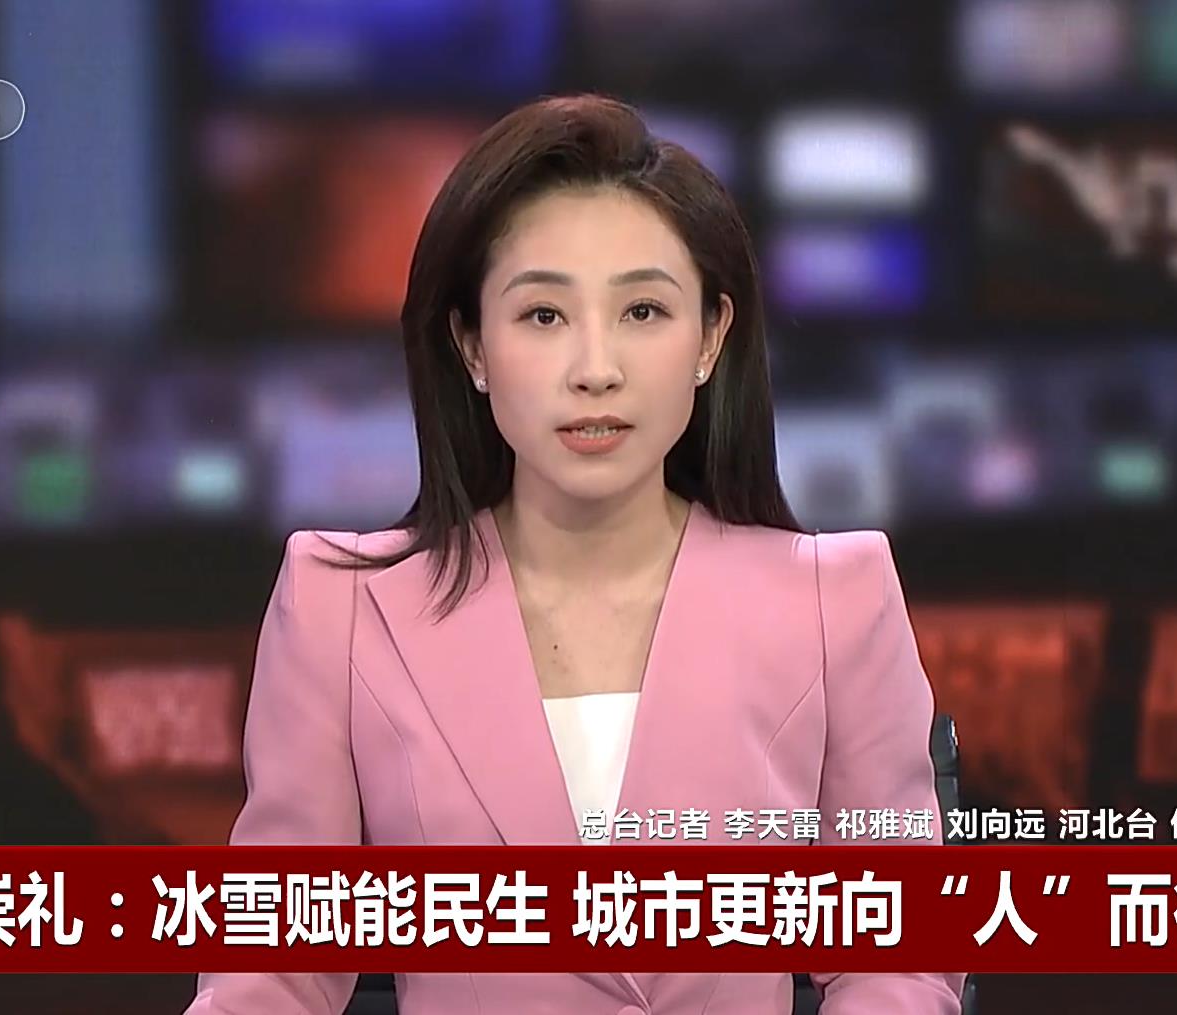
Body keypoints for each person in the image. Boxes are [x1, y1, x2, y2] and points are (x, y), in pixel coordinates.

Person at [185, 94, 963, 1015]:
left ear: (710, 337)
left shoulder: (836, 601)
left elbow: (900, 961)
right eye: (544, 315)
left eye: (642, 309)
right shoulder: (341, 607)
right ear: (471, 345)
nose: (596, 368)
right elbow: (272, 972)